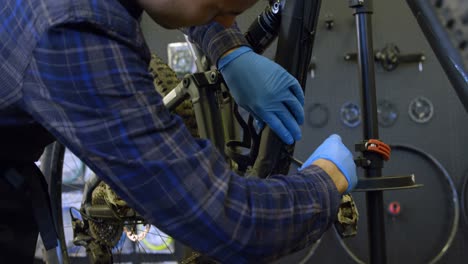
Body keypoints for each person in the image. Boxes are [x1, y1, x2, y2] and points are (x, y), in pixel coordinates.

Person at [0, 0, 358, 263]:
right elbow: (233, 221)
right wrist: (326, 181)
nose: (230, 21)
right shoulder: (71, 33)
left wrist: (231, 50)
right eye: (220, 11)